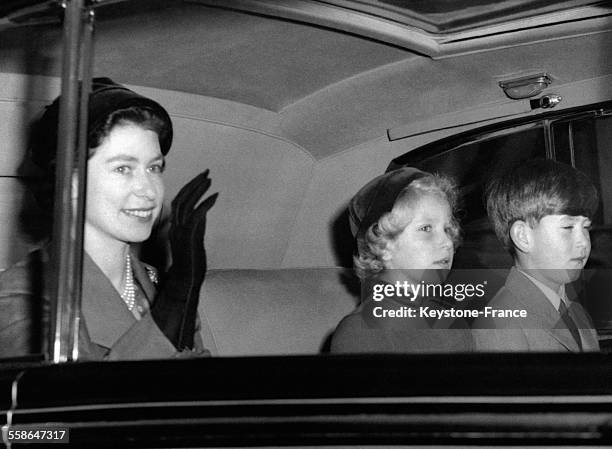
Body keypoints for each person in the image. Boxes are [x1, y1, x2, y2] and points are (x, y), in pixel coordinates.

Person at [0, 77, 216, 360]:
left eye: (154, 168)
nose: (148, 190)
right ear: (70, 182)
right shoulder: (23, 297)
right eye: (123, 168)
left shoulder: (155, 284)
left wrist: (179, 293)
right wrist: (176, 298)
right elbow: (81, 399)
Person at [330, 167, 474, 353]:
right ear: (384, 245)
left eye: (447, 229)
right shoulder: (362, 331)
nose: (447, 242)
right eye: (426, 229)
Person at [472, 159, 599, 352]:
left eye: (586, 227)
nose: (583, 241)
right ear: (523, 236)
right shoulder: (500, 325)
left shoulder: (576, 311)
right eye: (568, 227)